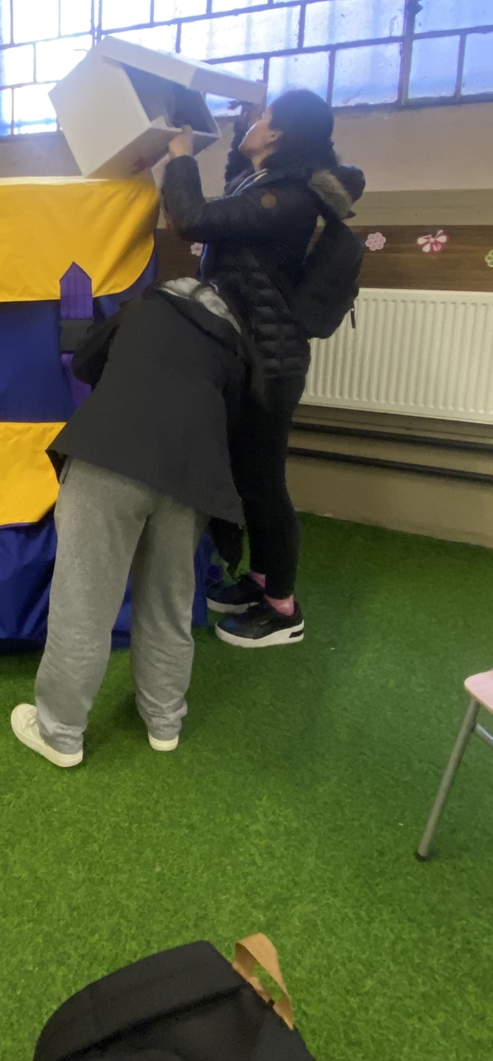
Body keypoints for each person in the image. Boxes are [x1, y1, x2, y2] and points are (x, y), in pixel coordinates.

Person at [10, 276, 255, 768]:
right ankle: (164, 722)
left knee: (83, 602)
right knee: (169, 604)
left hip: (108, 457)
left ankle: (60, 734)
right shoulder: (232, 346)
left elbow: (84, 362)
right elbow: (235, 423)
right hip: (190, 478)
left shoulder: (141, 310)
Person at [161, 89, 365, 649]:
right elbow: (234, 189)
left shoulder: (288, 196)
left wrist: (180, 157)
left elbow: (195, 219)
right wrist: (234, 131)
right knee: (249, 479)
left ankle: (282, 608)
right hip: (253, 356)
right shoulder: (267, 184)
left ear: (277, 136)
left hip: (270, 364)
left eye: (263, 118)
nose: (254, 124)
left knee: (264, 484)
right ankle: (259, 580)